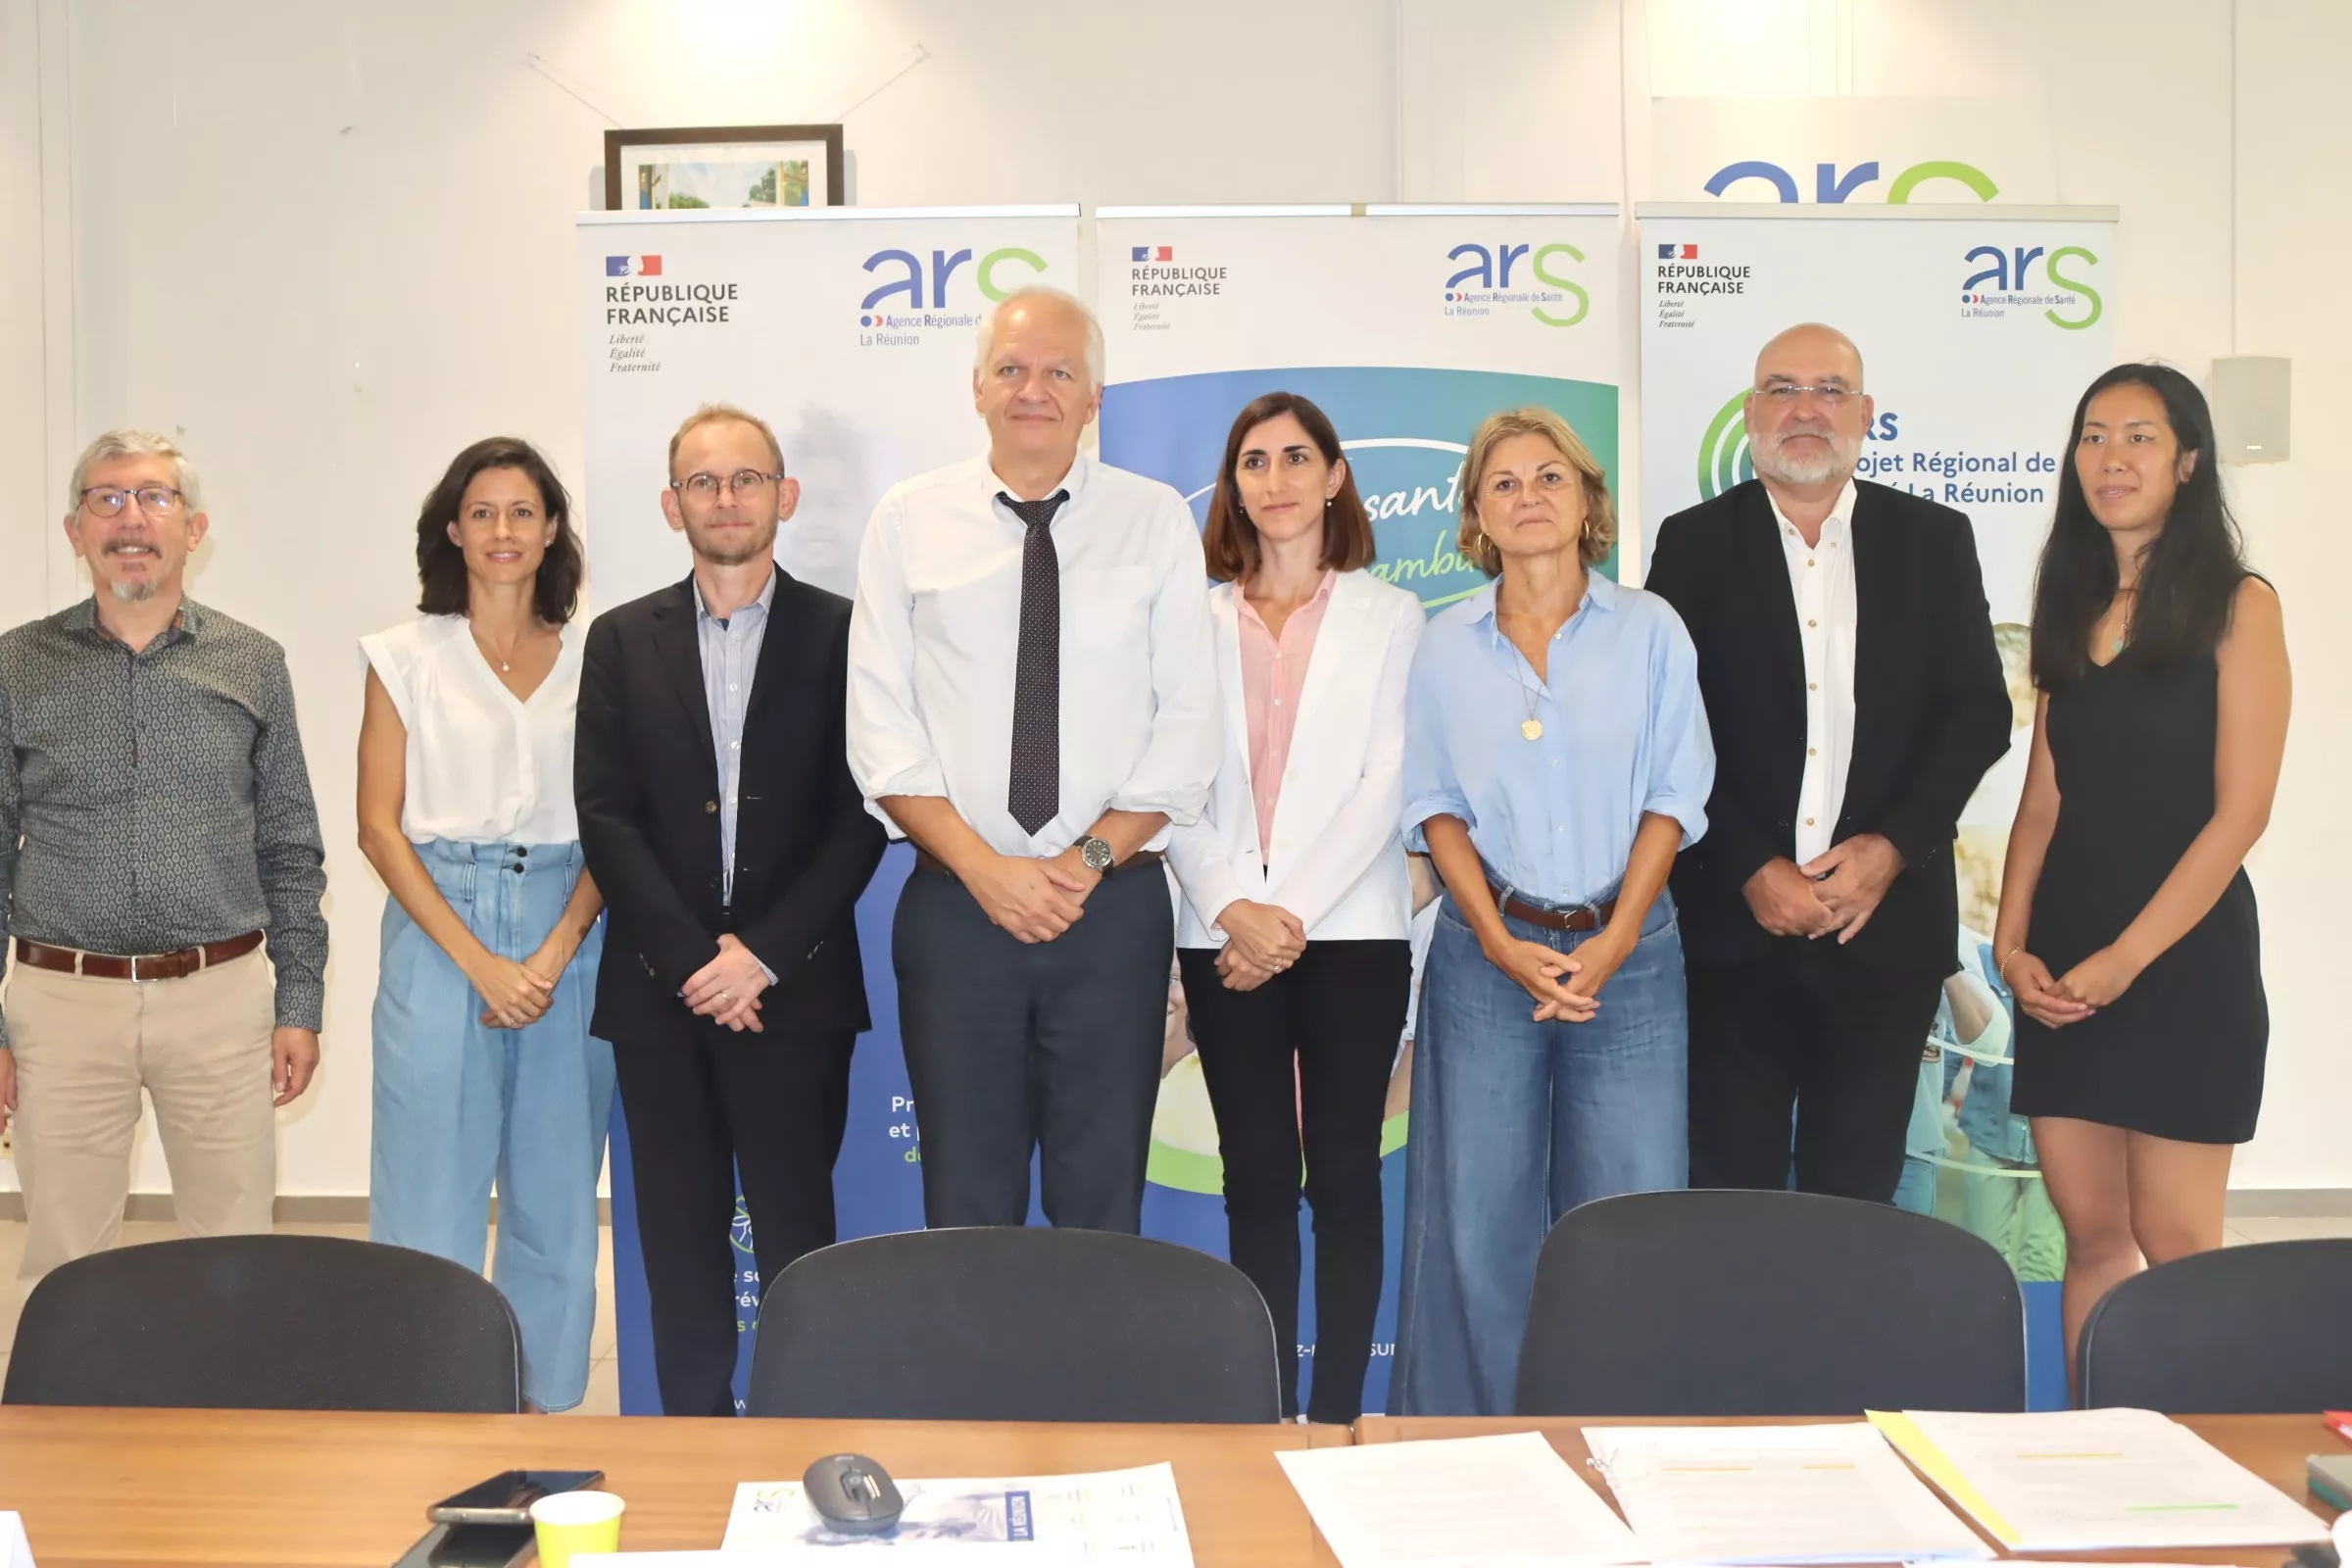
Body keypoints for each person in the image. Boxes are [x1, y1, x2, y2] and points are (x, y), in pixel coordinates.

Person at [847, 285, 1219, 1234]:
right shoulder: (908, 519)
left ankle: (1091, 1349)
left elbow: (1189, 724)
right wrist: (989, 871)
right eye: (1011, 369)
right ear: (976, 387)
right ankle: (978, 1349)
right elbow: (880, 731)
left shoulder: (1153, 521)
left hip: (1112, 911)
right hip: (957, 911)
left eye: (1059, 372)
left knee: (1101, 1207)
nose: (1033, 390)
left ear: (1094, 398)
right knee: (967, 1205)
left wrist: (1080, 864)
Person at [1393, 406, 1713, 1416]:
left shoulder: (1651, 631)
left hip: (1631, 958)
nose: (1528, 496)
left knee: (1628, 1223)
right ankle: (1486, 1443)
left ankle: (1618, 1437)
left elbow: (1675, 796)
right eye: (1504, 483)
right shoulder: (1444, 646)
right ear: (1477, 515)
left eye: (1549, 478)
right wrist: (1498, 941)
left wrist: (1615, 939)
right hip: (1486, 962)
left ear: (1586, 502)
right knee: (1478, 1226)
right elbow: (1434, 807)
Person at [1644, 323, 2012, 1201]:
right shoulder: (1693, 543)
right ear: (1750, 413)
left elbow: (1977, 714)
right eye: (1782, 389)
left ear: (1866, 413)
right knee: (1728, 1198)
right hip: (1733, 931)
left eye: (1829, 390)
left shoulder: (1933, 539)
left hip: (1886, 934)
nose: (1805, 410)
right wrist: (1748, 865)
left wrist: (1890, 851)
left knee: (1858, 1201)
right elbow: (1662, 724)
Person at [575, 403, 886, 1416]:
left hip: (795, 994)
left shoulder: (848, 634)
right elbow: (606, 816)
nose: (726, 498)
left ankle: (803, 1434)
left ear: (784, 497)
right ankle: (694, 1444)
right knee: (677, 1239)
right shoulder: (621, 640)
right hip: (658, 999)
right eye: (702, 481)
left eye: (746, 478)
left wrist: (761, 956)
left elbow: (864, 816)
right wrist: (693, 962)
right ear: (673, 505)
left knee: (799, 1237)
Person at [1995, 364, 2288, 1382]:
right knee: (2092, 1236)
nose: (2110, 459)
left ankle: (2211, 1454)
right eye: (2093, 436)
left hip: (2182, 963)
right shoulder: (2071, 602)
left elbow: (2241, 813)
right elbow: (2043, 801)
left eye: (2139, 437)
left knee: (2176, 1243)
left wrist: (2126, 959)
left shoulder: (2238, 606)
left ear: (2189, 462)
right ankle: (2101, 1453)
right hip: (2065, 965)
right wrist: (2011, 945)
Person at [0, 429, 326, 1285]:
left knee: (235, 1258)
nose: (130, 519)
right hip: (62, 1006)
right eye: (106, 500)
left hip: (220, 1000)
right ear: (75, 531)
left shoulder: (254, 662)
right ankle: (72, 1384)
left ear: (194, 528)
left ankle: (229, 1381)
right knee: (65, 1265)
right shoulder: (15, 666)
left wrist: (299, 1003)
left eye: (154, 497)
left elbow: (290, 846)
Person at [1165, 391, 1423, 1424]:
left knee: (1347, 1175)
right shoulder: (1187, 619)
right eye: (1254, 461)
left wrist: (1284, 917)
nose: (1275, 479)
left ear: (1334, 477)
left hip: (1350, 933)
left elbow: (1386, 782)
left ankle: (1339, 1416)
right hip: (1219, 933)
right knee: (1259, 1177)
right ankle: (1268, 1416)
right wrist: (1233, 905)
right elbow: (1169, 780)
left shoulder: (1390, 617)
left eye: (1296, 457)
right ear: (1234, 486)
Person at [359, 437, 612, 1412]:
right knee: (428, 1196)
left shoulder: (599, 659)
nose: (502, 530)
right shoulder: (404, 656)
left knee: (556, 1197)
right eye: (482, 512)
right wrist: (480, 963)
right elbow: (378, 827)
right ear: (453, 532)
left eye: (522, 511)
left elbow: (617, 823)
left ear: (551, 531)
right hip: (439, 928)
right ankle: (428, 1406)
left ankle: (540, 1416)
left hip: (568, 926)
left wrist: (550, 953)